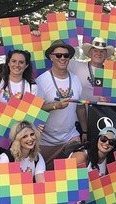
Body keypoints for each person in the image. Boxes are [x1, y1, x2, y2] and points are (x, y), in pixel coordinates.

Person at [36, 40, 88, 168]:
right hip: (44, 141)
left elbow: (80, 107)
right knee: (42, 177)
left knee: (81, 158)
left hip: (69, 138)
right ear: (51, 57)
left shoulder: (75, 79)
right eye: (59, 55)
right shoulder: (41, 81)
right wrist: (55, 106)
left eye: (66, 55)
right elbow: (35, 110)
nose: (63, 58)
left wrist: (85, 131)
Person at [68, 127, 116, 204]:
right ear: (97, 139)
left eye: (111, 142)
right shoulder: (81, 156)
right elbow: (66, 180)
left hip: (88, 198)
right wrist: (75, 202)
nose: (106, 143)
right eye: (103, 139)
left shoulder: (110, 160)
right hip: (69, 195)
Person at [70, 37, 114, 102]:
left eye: (101, 51)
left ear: (105, 55)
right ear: (90, 54)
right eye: (95, 51)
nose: (98, 54)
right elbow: (60, 61)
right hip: (80, 109)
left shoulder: (110, 73)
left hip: (100, 110)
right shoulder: (76, 66)